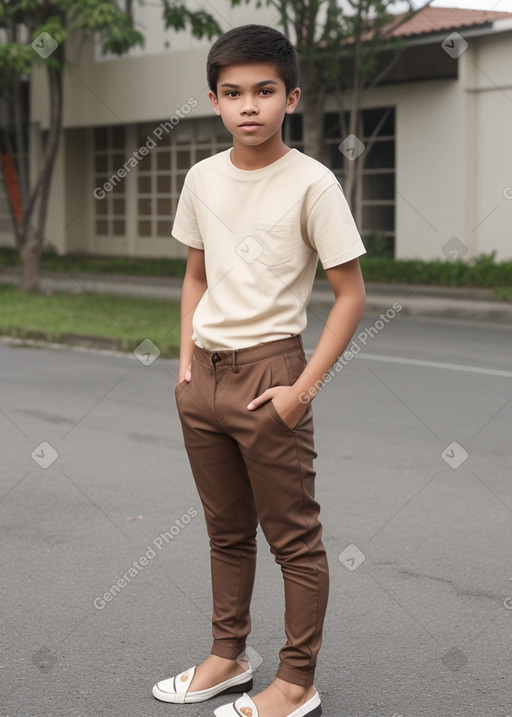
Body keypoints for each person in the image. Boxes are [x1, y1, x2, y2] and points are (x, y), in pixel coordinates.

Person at [152, 23, 366, 717]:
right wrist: (186, 360)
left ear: (291, 97)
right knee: (225, 531)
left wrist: (300, 392)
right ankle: (228, 654)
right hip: (203, 382)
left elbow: (352, 294)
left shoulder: (313, 182)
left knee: (294, 539)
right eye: (234, 92)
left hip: (272, 375)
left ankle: (296, 682)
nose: (249, 105)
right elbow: (194, 275)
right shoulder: (201, 178)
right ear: (214, 100)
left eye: (265, 91)